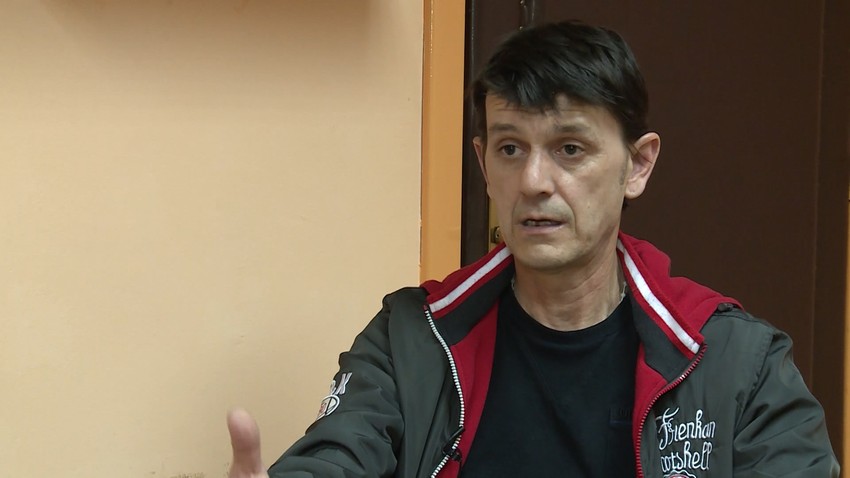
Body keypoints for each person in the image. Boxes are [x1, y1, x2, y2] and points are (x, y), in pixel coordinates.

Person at [226, 20, 839, 477]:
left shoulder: (738, 363)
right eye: (510, 149)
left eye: (570, 148)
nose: (534, 181)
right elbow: (338, 456)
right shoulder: (410, 339)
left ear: (637, 165)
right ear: (483, 165)